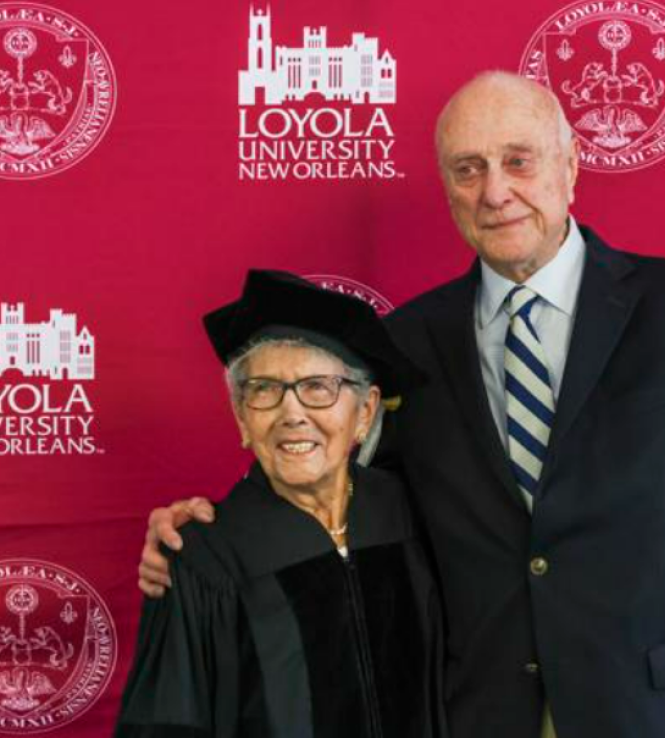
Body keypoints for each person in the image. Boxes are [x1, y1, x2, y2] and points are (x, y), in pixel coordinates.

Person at [137, 72, 665, 738]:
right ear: (447, 189)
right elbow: (345, 487)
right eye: (468, 169)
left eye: (517, 161)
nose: (494, 191)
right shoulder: (408, 342)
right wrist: (205, 533)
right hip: (484, 713)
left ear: (570, 166)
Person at [116, 269, 445, 738]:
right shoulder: (204, 559)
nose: (292, 413)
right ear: (242, 416)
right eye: (265, 390)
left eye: (318, 387)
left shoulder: (409, 512)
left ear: (365, 412)